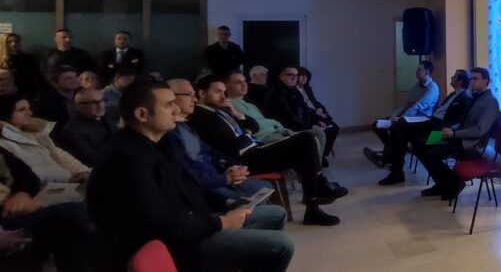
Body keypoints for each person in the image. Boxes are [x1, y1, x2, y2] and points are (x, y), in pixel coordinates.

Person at [87, 80, 294, 272]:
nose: (176, 110)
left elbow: (187, 189)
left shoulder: (161, 143)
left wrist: (225, 209)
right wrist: (221, 223)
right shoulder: (128, 158)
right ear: (142, 114)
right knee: (281, 245)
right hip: (175, 245)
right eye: (169, 105)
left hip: (192, 225)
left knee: (275, 214)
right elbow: (161, 225)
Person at [189, 76, 346, 226]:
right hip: (242, 159)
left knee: (305, 146)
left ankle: (313, 204)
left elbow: (254, 126)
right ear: (202, 93)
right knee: (305, 139)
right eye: (218, 92)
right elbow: (227, 145)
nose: (223, 96)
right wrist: (246, 135)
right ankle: (317, 191)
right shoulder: (200, 117)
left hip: (253, 149)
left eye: (224, 92)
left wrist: (236, 114)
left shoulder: (221, 110)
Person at [167, 79, 271, 208]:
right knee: (265, 202)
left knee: (264, 188)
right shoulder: (187, 124)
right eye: (189, 94)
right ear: (170, 98)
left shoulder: (188, 124)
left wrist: (234, 166)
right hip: (210, 184)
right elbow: (190, 175)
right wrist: (225, 178)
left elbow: (210, 151)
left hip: (222, 171)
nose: (195, 100)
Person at [0, 147, 98, 272]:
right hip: (6, 221)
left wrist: (22, 193)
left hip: (22, 208)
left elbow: (28, 175)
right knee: (74, 215)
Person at [377, 69, 473, 185]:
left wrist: (443, 132)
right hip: (432, 121)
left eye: (454, 76)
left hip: (440, 129)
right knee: (398, 128)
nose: (451, 78)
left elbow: (458, 122)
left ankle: (395, 169)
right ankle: (395, 169)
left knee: (406, 135)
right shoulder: (453, 94)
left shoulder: (465, 98)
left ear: (460, 81)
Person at [416, 67, 498, 201]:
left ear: (486, 81)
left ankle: (453, 183)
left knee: (432, 154)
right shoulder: (475, 97)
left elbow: (479, 130)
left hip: (469, 144)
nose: (472, 82)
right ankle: (443, 183)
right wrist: (450, 130)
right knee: (419, 146)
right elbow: (463, 122)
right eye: (471, 79)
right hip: (457, 136)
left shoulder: (490, 101)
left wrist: (454, 134)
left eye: (475, 79)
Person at [224, 72, 326, 158]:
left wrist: (284, 130)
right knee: (309, 139)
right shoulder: (229, 104)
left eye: (245, 81)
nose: (244, 84)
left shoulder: (251, 105)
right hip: (264, 139)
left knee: (318, 133)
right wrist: (273, 123)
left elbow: (266, 121)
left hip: (277, 132)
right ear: (227, 86)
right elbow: (258, 124)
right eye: (238, 82)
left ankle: (316, 170)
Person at [0, 95, 90, 186]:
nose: (30, 113)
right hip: (39, 189)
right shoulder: (4, 143)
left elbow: (60, 155)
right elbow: (24, 172)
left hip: (62, 184)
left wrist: (83, 172)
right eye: (21, 110)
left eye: (29, 108)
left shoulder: (37, 134)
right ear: (6, 112)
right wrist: (66, 178)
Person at [363, 60, 439, 167]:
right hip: (408, 117)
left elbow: (417, 107)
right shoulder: (417, 85)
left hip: (421, 120)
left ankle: (388, 156)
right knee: (377, 125)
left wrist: (401, 119)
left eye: (419, 69)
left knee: (395, 129)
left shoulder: (433, 88)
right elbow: (405, 104)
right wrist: (394, 115)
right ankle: (390, 152)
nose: (416, 71)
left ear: (427, 72)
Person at [264, 67, 336, 154]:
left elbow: (305, 109)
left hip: (300, 124)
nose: (294, 77)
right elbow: (289, 117)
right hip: (287, 127)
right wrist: (311, 125)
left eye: (296, 75)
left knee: (328, 125)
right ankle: (316, 160)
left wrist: (317, 120)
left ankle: (319, 157)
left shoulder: (294, 90)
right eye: (290, 75)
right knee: (319, 133)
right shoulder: (277, 92)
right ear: (281, 77)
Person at [57, 89, 119, 167]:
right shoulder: (72, 130)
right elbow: (93, 159)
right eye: (94, 103)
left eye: (102, 100)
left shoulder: (107, 113)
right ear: (79, 106)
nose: (100, 106)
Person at [295, 67, 339, 161]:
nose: (304, 78)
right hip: (308, 116)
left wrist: (320, 108)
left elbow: (314, 101)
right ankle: (318, 154)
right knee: (326, 128)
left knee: (334, 127)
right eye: (301, 76)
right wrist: (315, 112)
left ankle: (324, 153)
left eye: (306, 76)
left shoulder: (307, 88)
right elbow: (300, 108)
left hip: (316, 112)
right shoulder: (294, 90)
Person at [32, 66, 79, 133]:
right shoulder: (45, 102)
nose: (75, 80)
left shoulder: (84, 95)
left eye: (75, 77)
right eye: (68, 78)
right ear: (54, 83)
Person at [1, 33, 42, 99]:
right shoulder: (1, 60)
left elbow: (35, 77)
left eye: (16, 41)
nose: (14, 44)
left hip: (24, 92)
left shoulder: (27, 58)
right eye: (9, 42)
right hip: (5, 93)